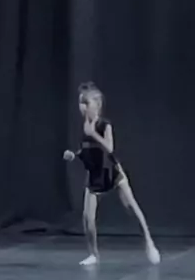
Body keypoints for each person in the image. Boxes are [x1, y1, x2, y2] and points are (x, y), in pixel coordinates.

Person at [64, 83, 161, 266]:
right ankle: (93, 254)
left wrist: (93, 134)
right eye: (80, 103)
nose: (82, 107)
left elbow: (109, 148)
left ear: (97, 105)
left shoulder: (104, 125)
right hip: (95, 175)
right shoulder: (85, 127)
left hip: (112, 172)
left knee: (131, 207)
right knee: (87, 218)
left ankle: (149, 242)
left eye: (86, 103)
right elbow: (88, 151)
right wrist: (74, 155)